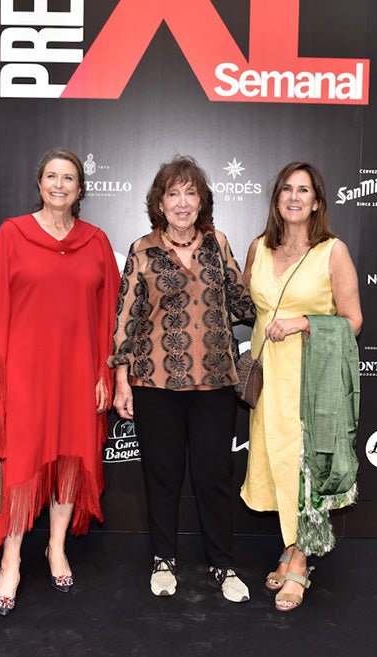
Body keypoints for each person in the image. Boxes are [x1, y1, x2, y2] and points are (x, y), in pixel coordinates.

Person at [0, 147, 120, 616]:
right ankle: (11, 561)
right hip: (24, 373)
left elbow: (107, 316)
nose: (59, 185)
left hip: (78, 371)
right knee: (22, 465)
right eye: (51, 176)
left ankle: (57, 547)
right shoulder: (12, 234)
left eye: (69, 178)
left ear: (80, 188)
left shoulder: (96, 241)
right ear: (39, 183)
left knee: (71, 461)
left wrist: (105, 373)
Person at [110, 156, 255, 603]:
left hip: (214, 382)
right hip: (155, 383)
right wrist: (121, 380)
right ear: (159, 202)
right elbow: (126, 320)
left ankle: (222, 564)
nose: (182, 202)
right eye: (173, 193)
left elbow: (243, 305)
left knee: (214, 476)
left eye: (191, 193)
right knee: (163, 475)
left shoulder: (218, 243)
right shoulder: (142, 250)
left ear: (202, 201)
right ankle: (163, 558)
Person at [240, 161, 363, 612]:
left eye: (304, 191)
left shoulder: (333, 251)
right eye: (286, 189)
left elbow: (353, 321)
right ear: (277, 199)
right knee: (277, 462)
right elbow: (241, 304)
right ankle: (291, 546)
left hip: (311, 380)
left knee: (303, 464)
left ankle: (300, 560)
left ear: (316, 202)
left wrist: (303, 323)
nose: (294, 197)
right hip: (267, 379)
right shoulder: (258, 247)